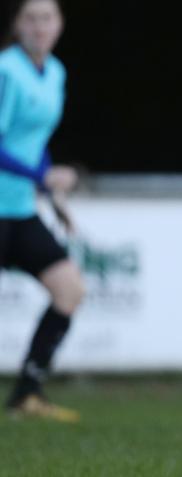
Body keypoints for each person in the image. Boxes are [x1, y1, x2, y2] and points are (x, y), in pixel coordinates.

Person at [0, 0, 81, 422]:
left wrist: (52, 195)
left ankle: (27, 395)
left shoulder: (56, 73)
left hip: (19, 208)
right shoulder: (6, 70)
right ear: (17, 24)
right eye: (30, 18)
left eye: (47, 17)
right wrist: (42, 176)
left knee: (70, 290)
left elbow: (35, 142)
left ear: (60, 24)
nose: (39, 26)